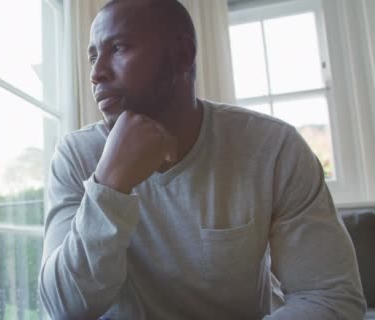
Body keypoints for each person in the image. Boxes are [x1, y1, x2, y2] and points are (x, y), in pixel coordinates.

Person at [38, 0, 366, 319]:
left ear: (182, 55)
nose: (96, 74)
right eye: (93, 56)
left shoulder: (274, 148)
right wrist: (108, 186)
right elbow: (65, 308)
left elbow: (330, 296)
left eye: (119, 48)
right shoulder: (76, 157)